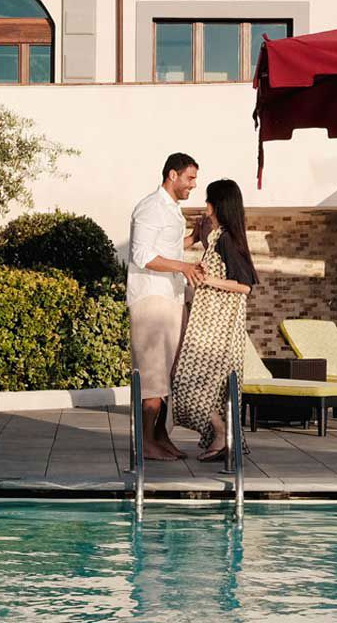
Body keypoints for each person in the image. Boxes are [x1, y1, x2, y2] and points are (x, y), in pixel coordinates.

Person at [171, 179, 259, 461]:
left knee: (189, 383)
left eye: (209, 201)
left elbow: (245, 285)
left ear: (219, 205)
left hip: (218, 329)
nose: (205, 206)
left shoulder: (226, 240)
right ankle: (222, 437)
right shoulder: (218, 237)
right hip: (210, 322)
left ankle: (221, 433)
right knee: (209, 388)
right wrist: (200, 234)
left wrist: (208, 280)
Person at [127, 152, 206, 461]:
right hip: (151, 299)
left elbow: (168, 247)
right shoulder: (150, 208)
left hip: (171, 298)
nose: (194, 185)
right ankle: (145, 442)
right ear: (172, 175)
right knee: (153, 376)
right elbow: (142, 255)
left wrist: (194, 238)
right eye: (190, 178)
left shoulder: (172, 210)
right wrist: (184, 268)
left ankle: (160, 437)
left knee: (170, 374)